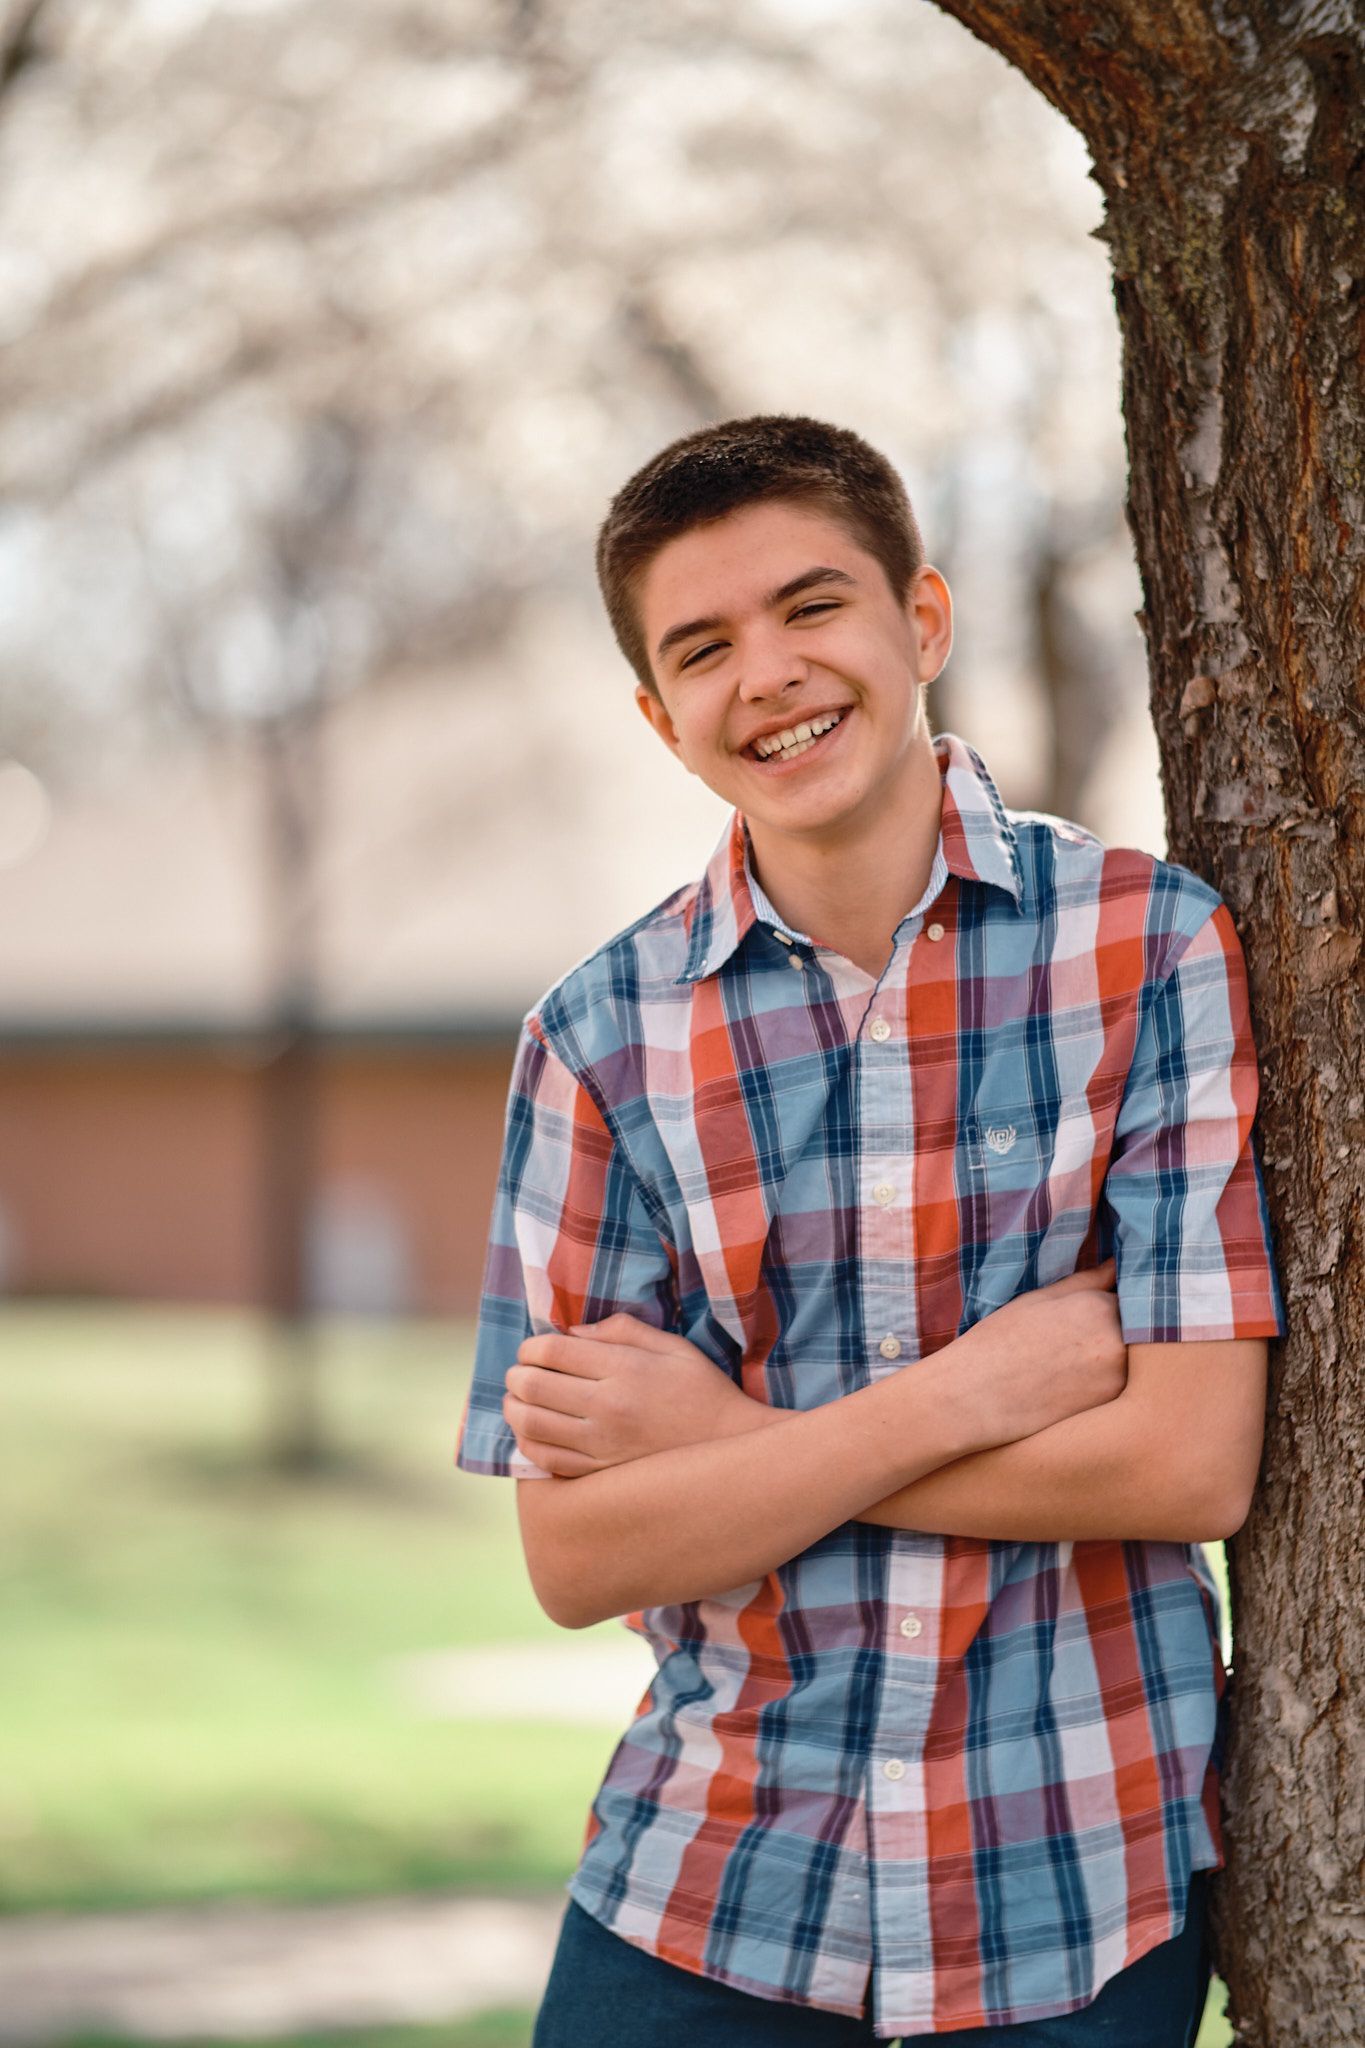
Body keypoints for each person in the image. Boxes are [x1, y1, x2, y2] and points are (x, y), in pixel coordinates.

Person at [454, 414, 1286, 2045]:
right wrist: (965, 1396)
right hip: (704, 1895)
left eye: (809, 607)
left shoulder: (1146, 949)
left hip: (1072, 1894)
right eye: (702, 648)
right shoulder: (599, 1038)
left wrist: (731, 1447)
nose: (765, 674)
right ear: (658, 717)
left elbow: (1188, 1467)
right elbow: (578, 1552)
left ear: (920, 621)